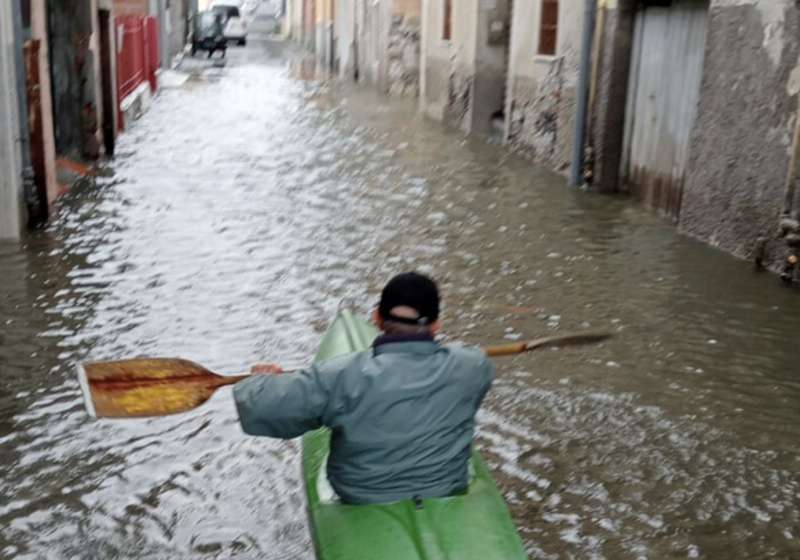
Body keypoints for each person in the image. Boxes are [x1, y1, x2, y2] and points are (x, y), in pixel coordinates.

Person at [233, 272, 494, 505]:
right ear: (436, 325)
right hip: (445, 488)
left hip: (361, 496)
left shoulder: (338, 375)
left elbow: (261, 407)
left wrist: (261, 382)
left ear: (377, 318)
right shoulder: (475, 365)